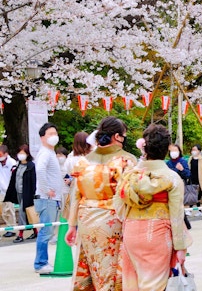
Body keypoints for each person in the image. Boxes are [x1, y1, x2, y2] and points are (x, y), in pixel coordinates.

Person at [65, 117, 137, 288]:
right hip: (112, 220)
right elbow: (128, 194)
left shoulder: (83, 161)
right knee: (111, 267)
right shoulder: (125, 160)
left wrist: (71, 225)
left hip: (86, 219)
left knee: (91, 264)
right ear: (118, 137)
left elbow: (75, 195)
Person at [117, 124, 191, 291]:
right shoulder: (171, 178)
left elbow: (119, 205)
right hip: (157, 233)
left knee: (132, 283)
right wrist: (180, 247)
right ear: (166, 149)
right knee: (155, 285)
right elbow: (177, 215)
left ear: (145, 148)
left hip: (131, 231)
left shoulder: (131, 175)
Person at [33, 122, 63, 274]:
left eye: (55, 133)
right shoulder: (45, 152)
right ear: (42, 138)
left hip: (51, 198)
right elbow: (39, 170)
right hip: (47, 198)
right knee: (46, 231)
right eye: (50, 134)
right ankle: (40, 263)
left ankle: (42, 262)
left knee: (48, 231)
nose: (53, 136)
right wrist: (46, 190)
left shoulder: (50, 152)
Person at [2, 145, 37, 242]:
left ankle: (20, 235)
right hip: (18, 192)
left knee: (22, 212)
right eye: (20, 153)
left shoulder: (31, 166)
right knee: (27, 213)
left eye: (23, 153)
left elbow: (33, 182)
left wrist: (34, 195)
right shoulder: (17, 165)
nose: (21, 155)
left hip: (27, 193)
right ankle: (36, 232)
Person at [0, 145, 18, 238]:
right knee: (3, 211)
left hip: (9, 189)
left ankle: (12, 228)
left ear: (6, 154)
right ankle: (8, 226)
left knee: (9, 210)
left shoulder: (12, 163)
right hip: (1, 190)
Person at [188, 144, 202, 216]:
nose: (193, 151)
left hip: (199, 180)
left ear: (199, 151)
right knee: (191, 196)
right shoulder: (190, 158)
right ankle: (190, 210)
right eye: (192, 150)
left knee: (197, 196)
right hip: (191, 180)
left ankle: (199, 211)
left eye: (195, 150)